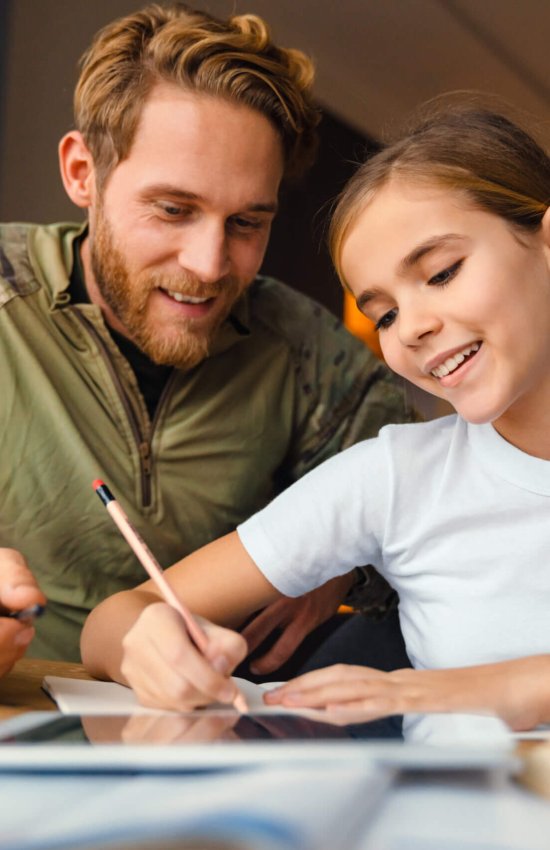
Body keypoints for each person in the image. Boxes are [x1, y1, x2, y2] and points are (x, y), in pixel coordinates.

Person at [82, 104, 550, 731]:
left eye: (441, 273)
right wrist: (150, 644)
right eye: (382, 313)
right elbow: (116, 618)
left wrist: (455, 692)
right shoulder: (396, 477)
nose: (410, 328)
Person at [0, 3, 412, 665]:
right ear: (83, 173)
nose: (211, 265)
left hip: (213, 738)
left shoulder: (311, 357)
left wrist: (346, 568)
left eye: (247, 223)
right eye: (173, 209)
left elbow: (428, 519)